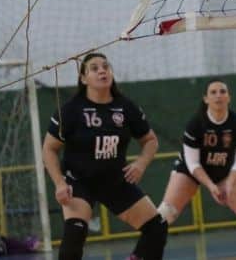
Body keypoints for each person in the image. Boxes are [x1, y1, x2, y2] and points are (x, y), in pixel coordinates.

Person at [41, 53, 167, 260]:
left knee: (157, 228)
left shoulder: (126, 108)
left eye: (106, 66)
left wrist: (141, 163)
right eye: (94, 68)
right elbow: (49, 149)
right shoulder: (71, 110)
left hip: (115, 181)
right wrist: (59, 183)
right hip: (79, 181)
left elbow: (150, 140)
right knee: (75, 233)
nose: (102, 71)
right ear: (83, 78)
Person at [156, 80, 236, 260]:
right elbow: (193, 164)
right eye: (213, 92)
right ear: (206, 99)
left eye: (222, 91)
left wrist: (229, 184)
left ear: (229, 97)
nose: (218, 95)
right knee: (165, 213)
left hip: (223, 171)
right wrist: (212, 187)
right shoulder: (195, 125)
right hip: (190, 171)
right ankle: (143, 255)